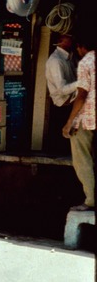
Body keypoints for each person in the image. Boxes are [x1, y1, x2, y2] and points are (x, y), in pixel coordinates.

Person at [63, 33, 95, 212]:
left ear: (81, 47)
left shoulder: (86, 62)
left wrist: (69, 122)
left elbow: (82, 95)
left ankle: (91, 200)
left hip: (88, 116)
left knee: (82, 159)